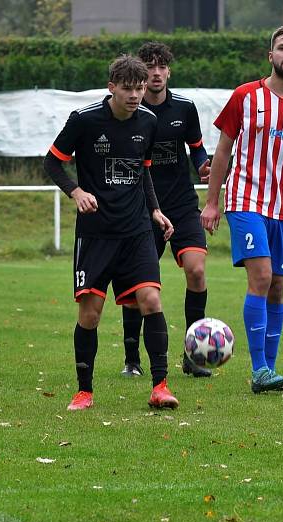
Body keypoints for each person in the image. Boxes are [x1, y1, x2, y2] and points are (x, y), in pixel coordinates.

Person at [43, 55, 180, 411]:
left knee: (151, 300)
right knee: (90, 315)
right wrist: (76, 191)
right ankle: (84, 391)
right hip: (96, 234)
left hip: (136, 231)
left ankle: (160, 386)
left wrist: (155, 210)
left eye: (139, 88)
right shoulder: (85, 120)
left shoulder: (148, 122)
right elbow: (51, 161)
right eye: (128, 89)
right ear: (112, 87)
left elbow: (143, 170)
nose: (135, 95)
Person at [200, 24, 283, 394]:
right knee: (261, 276)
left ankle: (270, 370)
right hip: (244, 199)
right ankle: (259, 371)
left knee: (277, 287)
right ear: (270, 55)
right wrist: (212, 203)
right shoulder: (246, 96)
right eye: (282, 48)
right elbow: (222, 151)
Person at [118, 41, 213, 379]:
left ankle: (194, 355)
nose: (156, 73)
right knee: (137, 287)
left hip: (181, 204)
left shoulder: (185, 109)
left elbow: (198, 150)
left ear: (168, 71)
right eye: (149, 66)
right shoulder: (128, 109)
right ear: (140, 73)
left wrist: (204, 166)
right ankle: (132, 360)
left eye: (161, 67)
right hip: (141, 209)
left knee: (197, 271)